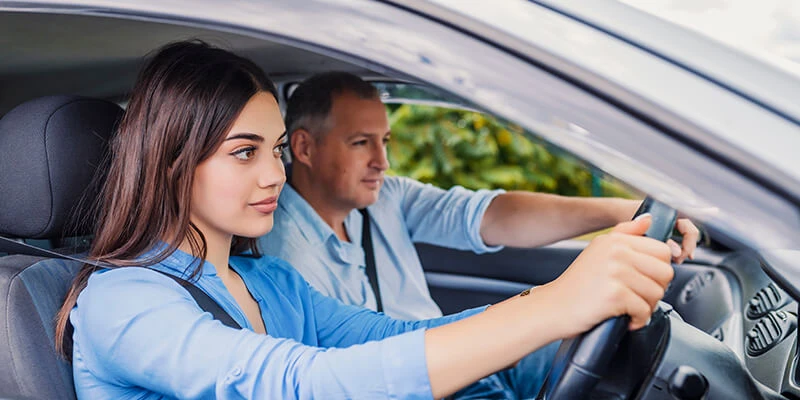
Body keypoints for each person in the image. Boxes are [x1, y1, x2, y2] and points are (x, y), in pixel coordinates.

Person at [55, 41, 675, 400]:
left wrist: (561, 311)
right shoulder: (123, 300)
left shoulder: (270, 282)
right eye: (244, 153)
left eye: (275, 150)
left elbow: (396, 338)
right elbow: (302, 386)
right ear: (171, 163)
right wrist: (554, 307)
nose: (274, 175)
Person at [259, 71, 699, 320]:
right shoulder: (280, 256)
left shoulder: (386, 198)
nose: (383, 161)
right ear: (304, 148)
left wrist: (631, 210)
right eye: (361, 143)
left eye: (385, 141)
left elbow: (494, 215)